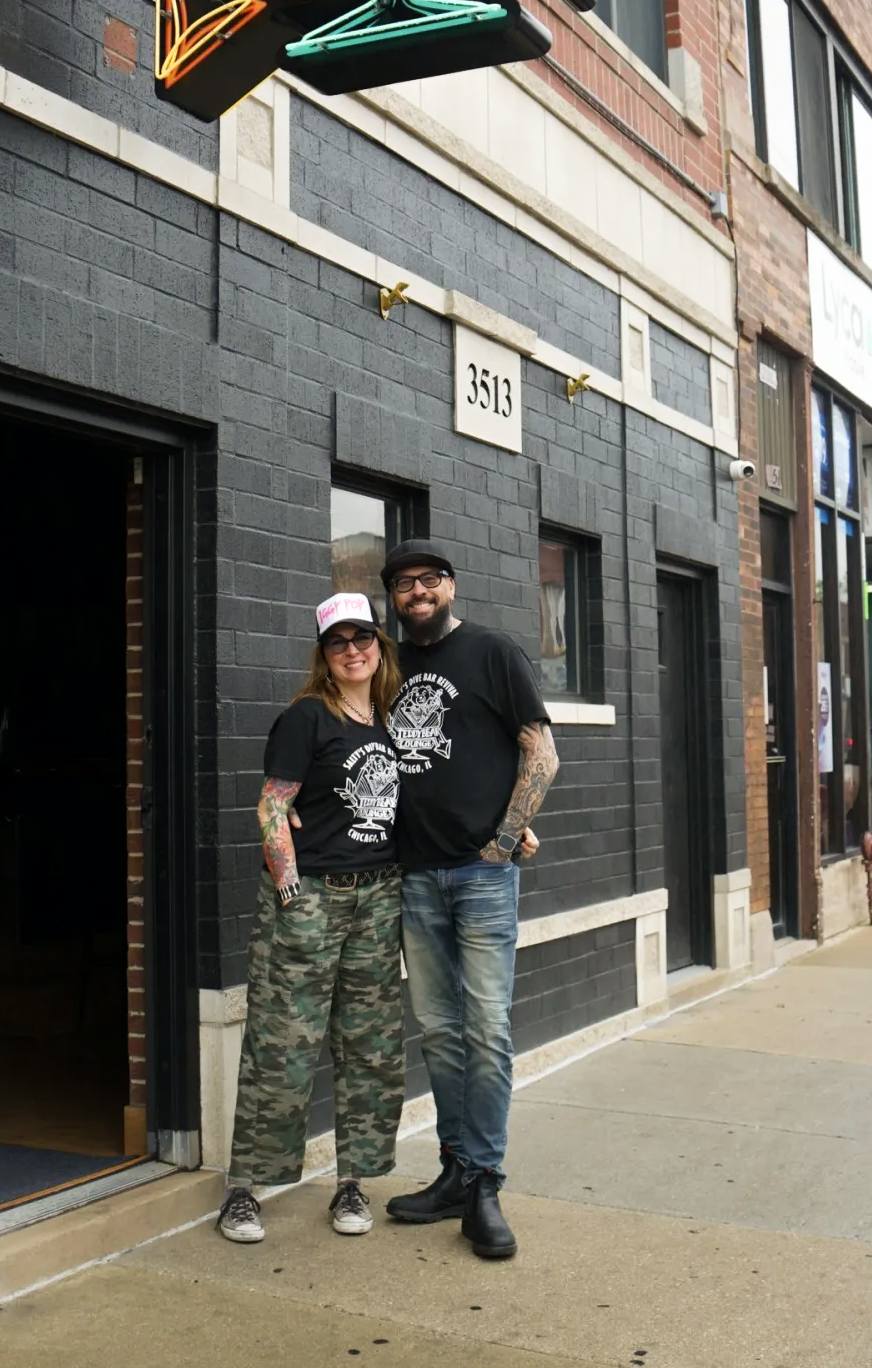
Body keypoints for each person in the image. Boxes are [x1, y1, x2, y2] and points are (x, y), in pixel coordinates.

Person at [382, 540, 559, 1262]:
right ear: (392, 595)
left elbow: (541, 751)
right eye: (403, 583)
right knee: (437, 1029)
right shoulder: (388, 667)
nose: (417, 591)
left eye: (429, 579)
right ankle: (455, 1168)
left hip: (482, 877)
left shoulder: (493, 651)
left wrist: (506, 837)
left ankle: (485, 1181)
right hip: (414, 876)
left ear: (450, 586)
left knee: (486, 1029)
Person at [217, 593, 405, 1245]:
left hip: (379, 898)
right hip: (313, 897)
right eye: (338, 641)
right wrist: (291, 891)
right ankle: (245, 1190)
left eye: (363, 638)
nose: (353, 649)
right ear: (323, 654)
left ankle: (352, 1182)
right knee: (282, 1045)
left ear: (380, 645)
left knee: (370, 1044)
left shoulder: (392, 721)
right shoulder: (306, 718)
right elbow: (272, 808)